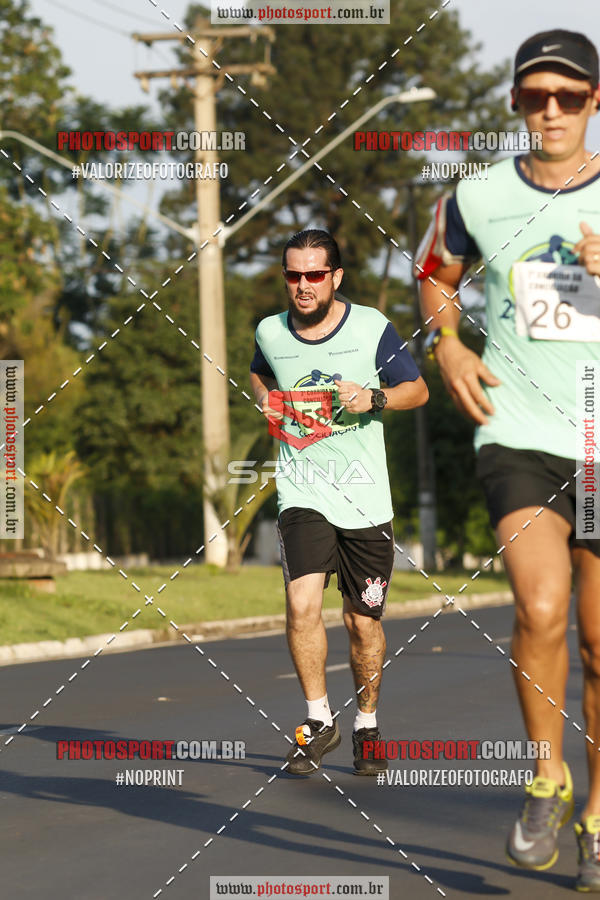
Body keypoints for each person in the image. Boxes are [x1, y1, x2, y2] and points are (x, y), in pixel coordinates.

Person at [416, 29, 600, 890]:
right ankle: (545, 777)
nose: (552, 111)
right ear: (517, 105)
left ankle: (599, 813)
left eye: (569, 96)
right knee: (540, 601)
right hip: (517, 427)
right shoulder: (478, 195)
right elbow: (435, 270)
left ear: (596, 101)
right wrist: (448, 344)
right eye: (536, 97)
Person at [250, 228, 428, 776]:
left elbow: (416, 390)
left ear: (336, 277)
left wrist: (373, 396)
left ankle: (367, 725)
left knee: (361, 625)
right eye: (293, 275)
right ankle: (318, 720)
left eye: (314, 275)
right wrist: (266, 401)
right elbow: (260, 371)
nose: (302, 286)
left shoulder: (372, 328)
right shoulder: (271, 331)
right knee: (302, 605)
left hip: (366, 498)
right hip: (302, 491)